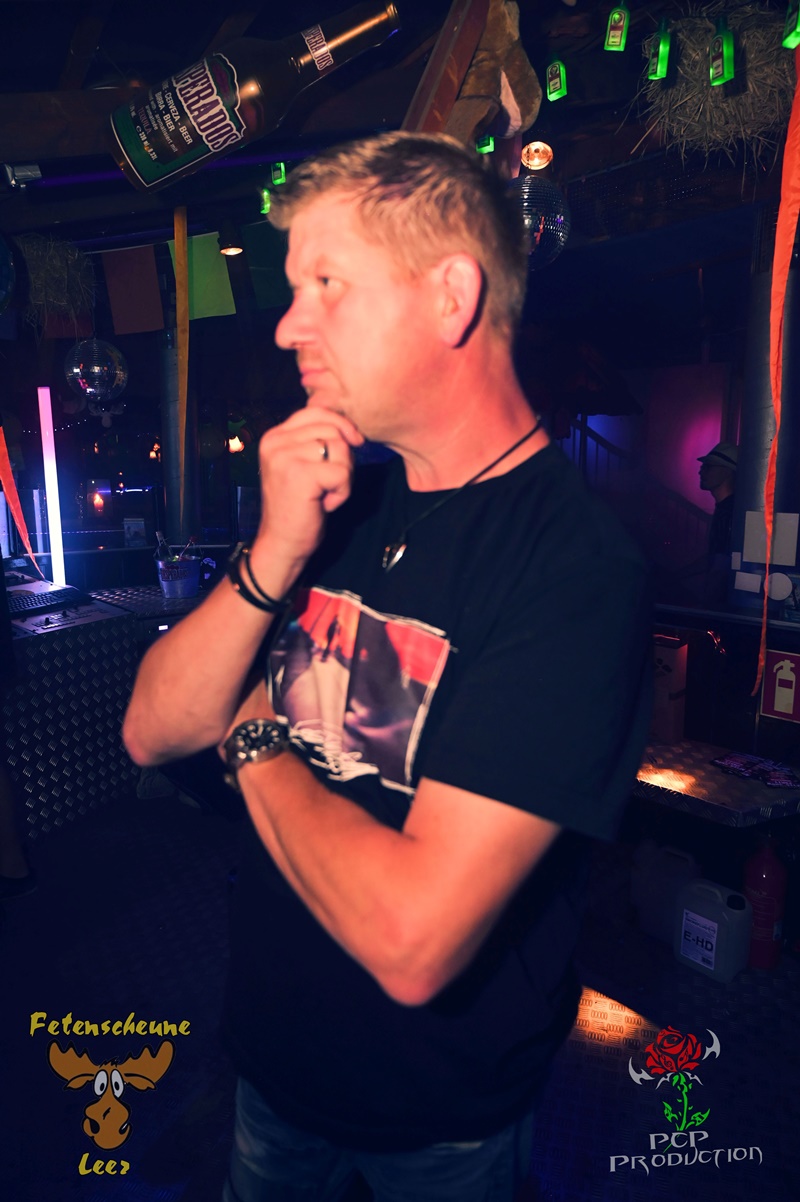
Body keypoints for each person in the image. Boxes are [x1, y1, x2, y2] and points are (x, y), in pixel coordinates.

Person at [122, 131, 651, 1202]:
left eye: (326, 284)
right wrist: (274, 553)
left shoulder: (574, 567)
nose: (287, 325)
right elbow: (151, 729)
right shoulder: (336, 503)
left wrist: (254, 733)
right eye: (291, 291)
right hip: (270, 1067)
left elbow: (412, 941)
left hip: (440, 1120)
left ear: (451, 296)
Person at [698, 440, 738, 566]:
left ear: (727, 471)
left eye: (708, 467)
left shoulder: (730, 512)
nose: (700, 472)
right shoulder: (725, 508)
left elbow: (720, 565)